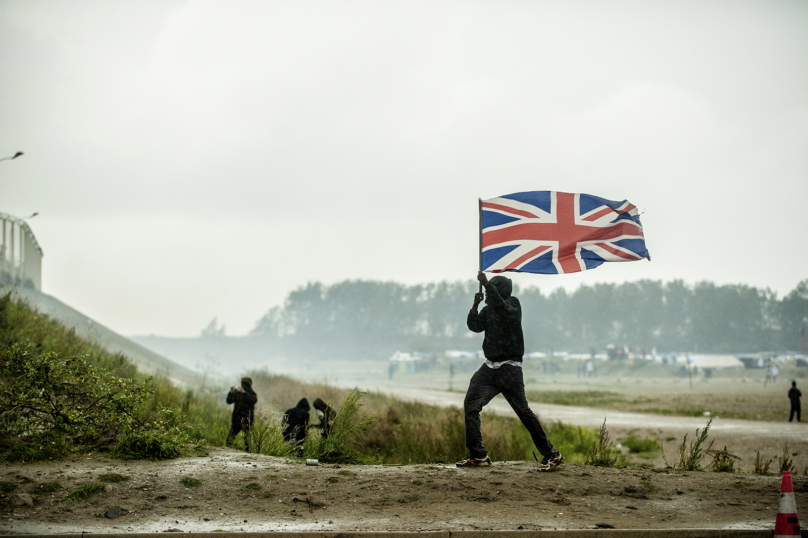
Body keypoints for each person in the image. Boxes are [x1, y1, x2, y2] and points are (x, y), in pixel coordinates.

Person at [458, 271, 563, 471]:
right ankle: (477, 455)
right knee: (471, 405)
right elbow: (475, 326)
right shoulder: (488, 310)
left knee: (523, 412)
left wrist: (487, 284)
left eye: (491, 290)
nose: (488, 294)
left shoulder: (513, 305)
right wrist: (475, 305)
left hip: (510, 369)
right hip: (489, 368)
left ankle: (552, 455)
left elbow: (502, 308)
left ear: (499, 290)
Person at [226, 376, 258, 452]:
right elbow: (229, 401)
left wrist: (244, 393)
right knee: (230, 439)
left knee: (247, 442)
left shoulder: (251, 394)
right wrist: (231, 392)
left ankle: (247, 454)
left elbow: (253, 400)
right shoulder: (238, 393)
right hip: (238, 420)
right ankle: (228, 452)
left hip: (246, 420)